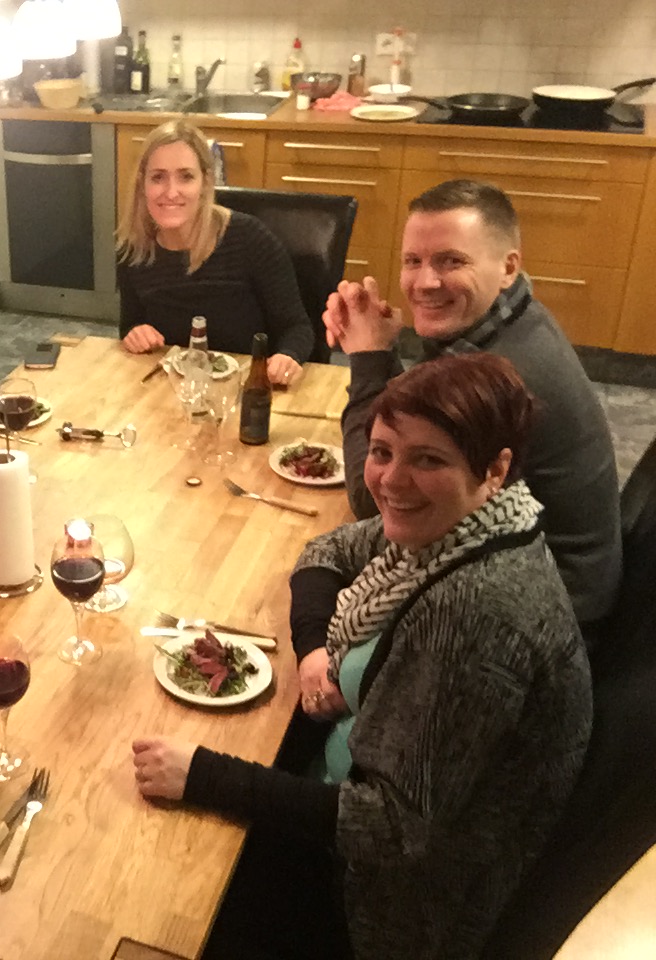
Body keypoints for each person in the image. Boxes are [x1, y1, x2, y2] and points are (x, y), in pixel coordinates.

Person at [132, 354, 592, 960]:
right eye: (382, 451)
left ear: (495, 469)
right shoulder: (466, 527)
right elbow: (326, 549)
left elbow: (391, 830)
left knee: (153, 891)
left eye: (428, 459)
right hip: (343, 784)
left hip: (383, 908)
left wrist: (203, 776)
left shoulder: (475, 613)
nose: (392, 481)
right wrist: (314, 651)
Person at [322, 178, 620, 629]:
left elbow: (379, 499)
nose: (425, 282)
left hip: (534, 616)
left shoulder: (506, 373)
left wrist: (367, 357)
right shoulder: (510, 320)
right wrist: (379, 350)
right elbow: (418, 426)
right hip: (524, 573)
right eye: (413, 261)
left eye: (451, 261)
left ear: (508, 267)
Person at [116, 119, 313, 386]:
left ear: (206, 182)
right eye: (158, 177)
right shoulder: (133, 251)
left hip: (246, 387)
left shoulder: (250, 238)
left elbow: (297, 327)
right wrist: (135, 334)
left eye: (186, 177)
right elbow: (130, 325)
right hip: (170, 388)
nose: (171, 192)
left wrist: (288, 356)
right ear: (142, 184)